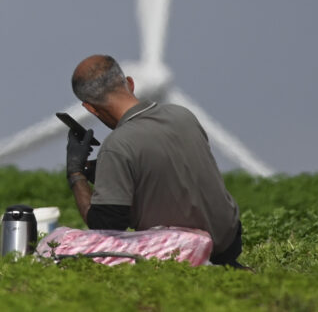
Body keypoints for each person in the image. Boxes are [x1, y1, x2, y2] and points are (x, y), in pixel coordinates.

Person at [64, 55, 244, 267]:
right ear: (130, 83)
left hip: (184, 255)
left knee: (61, 241)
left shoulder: (117, 145)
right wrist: (102, 170)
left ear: (90, 108)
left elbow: (105, 228)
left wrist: (75, 174)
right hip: (230, 243)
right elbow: (165, 165)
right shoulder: (183, 115)